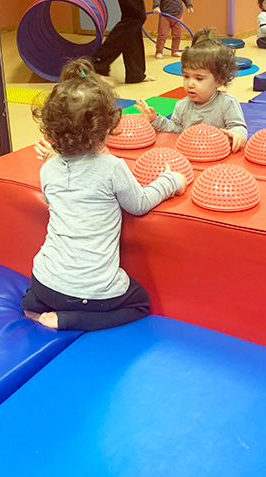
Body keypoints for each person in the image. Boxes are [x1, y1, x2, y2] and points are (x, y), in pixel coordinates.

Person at [21, 59, 186, 331]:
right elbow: (139, 204)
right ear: (106, 128)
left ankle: (33, 305)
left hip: (42, 281)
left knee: (46, 289)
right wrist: (170, 181)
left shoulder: (48, 168)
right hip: (89, 291)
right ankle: (72, 320)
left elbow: (56, 200)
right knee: (140, 303)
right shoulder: (112, 167)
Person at [135, 38, 248, 152]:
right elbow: (175, 129)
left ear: (219, 81)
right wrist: (155, 120)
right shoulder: (182, 105)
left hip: (217, 157)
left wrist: (237, 134)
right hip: (190, 156)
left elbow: (238, 126)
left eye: (199, 78)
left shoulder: (227, 103)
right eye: (186, 76)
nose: (190, 84)